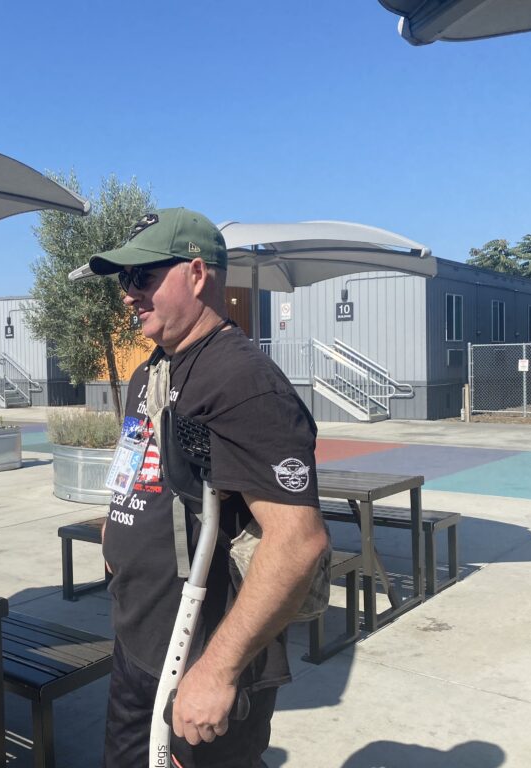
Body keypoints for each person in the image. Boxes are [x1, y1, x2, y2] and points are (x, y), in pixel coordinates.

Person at [84, 208, 330, 767]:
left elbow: (297, 542)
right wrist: (116, 527)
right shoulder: (153, 368)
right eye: (124, 281)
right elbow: (139, 463)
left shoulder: (243, 381)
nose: (128, 294)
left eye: (142, 277)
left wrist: (217, 672)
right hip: (139, 638)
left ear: (197, 275)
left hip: (197, 656)